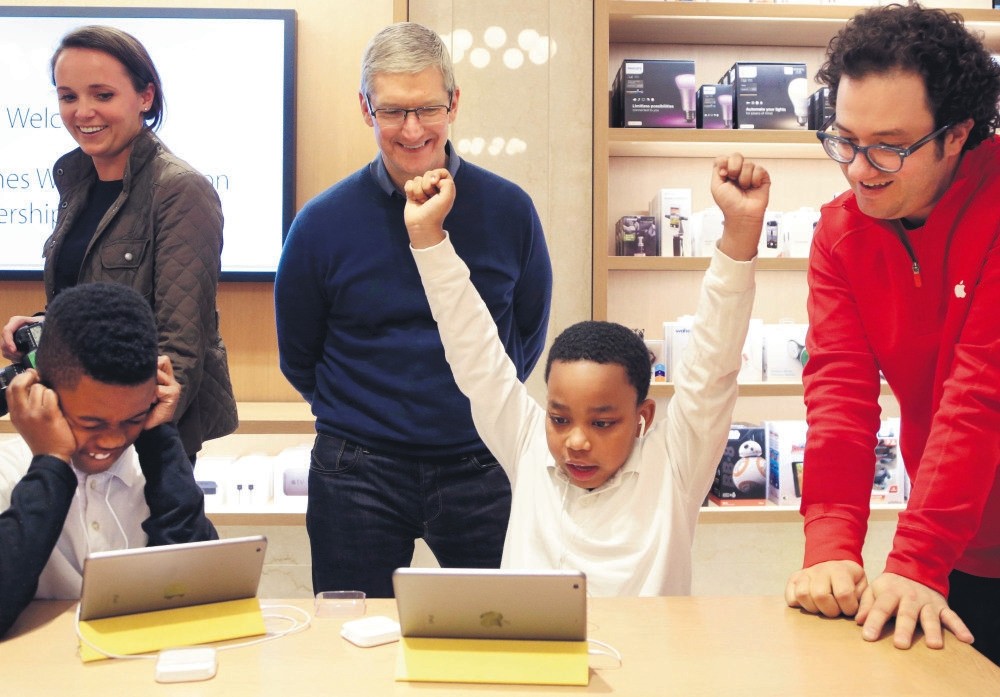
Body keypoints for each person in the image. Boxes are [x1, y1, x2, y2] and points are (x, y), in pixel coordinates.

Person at [400, 154, 767, 596]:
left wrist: (741, 231)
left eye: (602, 422)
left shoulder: (674, 465)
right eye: (559, 418)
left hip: (647, 664)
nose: (575, 441)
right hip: (536, 664)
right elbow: (473, 350)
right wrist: (426, 236)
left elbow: (714, 362)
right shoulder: (529, 447)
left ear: (642, 417)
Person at [274, 22, 553, 598]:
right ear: (365, 108)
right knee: (353, 644)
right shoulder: (321, 223)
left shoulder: (509, 211)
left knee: (501, 635)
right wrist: (365, 415)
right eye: (393, 111)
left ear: (453, 102)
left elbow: (527, 332)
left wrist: (479, 410)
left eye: (427, 108)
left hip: (484, 461)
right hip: (357, 469)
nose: (412, 130)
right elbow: (299, 355)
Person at [783, 3, 1000, 665]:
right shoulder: (840, 233)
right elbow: (841, 394)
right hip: (963, 546)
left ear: (958, 133)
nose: (857, 167)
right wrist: (830, 546)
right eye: (844, 138)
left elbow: (982, 393)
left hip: (940, 540)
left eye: (889, 146)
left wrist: (914, 557)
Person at [0, 25, 237, 460]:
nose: (82, 111)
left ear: (145, 97)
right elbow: (98, 303)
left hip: (137, 434)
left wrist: (116, 436)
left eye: (102, 95)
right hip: (77, 421)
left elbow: (180, 347)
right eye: (68, 96)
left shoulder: (180, 189)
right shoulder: (77, 181)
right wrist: (44, 325)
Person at [0, 282, 217, 637]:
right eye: (91, 422)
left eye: (133, 419)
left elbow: (197, 591)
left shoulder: (154, 467)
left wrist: (160, 440)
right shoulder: (7, 473)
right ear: (42, 395)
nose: (114, 439)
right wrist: (51, 463)